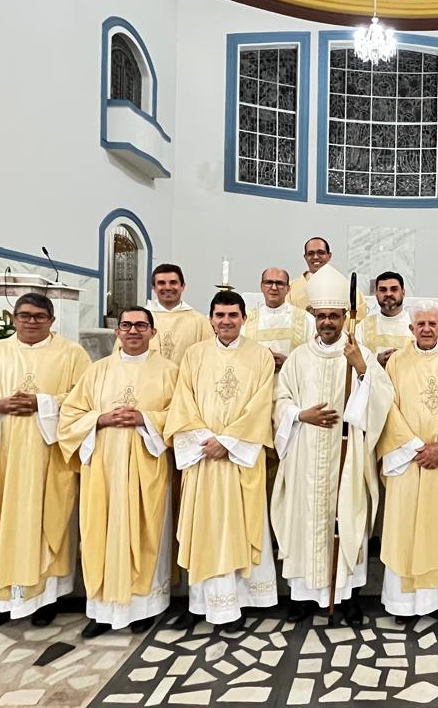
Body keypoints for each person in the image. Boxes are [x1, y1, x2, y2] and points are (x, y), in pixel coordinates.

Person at [0, 292, 91, 631]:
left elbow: (84, 398)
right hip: (2, 456)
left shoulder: (72, 354)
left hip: (48, 456)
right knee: (1, 523)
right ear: (13, 318)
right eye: (25, 315)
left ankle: (47, 600)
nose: (31, 321)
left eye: (39, 316)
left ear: (52, 321)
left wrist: (42, 403)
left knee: (48, 522)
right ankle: (1, 603)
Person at [271, 264, 393, 625]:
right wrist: (299, 415)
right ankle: (304, 597)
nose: (327, 322)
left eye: (334, 316)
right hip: (305, 453)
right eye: (321, 316)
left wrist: (361, 370)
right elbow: (279, 400)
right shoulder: (298, 358)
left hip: (349, 454)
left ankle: (348, 596)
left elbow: (383, 398)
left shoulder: (360, 354)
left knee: (348, 518)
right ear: (313, 316)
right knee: (304, 520)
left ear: (344, 317)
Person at [58, 306, 178, 637]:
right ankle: (102, 610)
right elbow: (70, 415)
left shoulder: (170, 371)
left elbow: (181, 415)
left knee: (145, 532)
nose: (133, 331)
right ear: (117, 332)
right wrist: (99, 419)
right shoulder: (97, 371)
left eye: (141, 325)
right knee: (101, 533)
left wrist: (146, 419)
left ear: (153, 333)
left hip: (147, 467)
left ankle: (144, 608)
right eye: (127, 325)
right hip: (103, 470)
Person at [164, 291, 278, 630]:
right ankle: (202, 602)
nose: (225, 321)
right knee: (205, 528)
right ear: (211, 318)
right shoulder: (194, 355)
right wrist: (205, 440)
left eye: (232, 315)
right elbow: (183, 401)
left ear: (244, 318)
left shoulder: (260, 357)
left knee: (240, 526)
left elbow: (261, 406)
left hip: (240, 460)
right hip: (203, 459)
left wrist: (228, 442)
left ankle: (241, 601)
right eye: (219, 315)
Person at [377, 302, 438, 626]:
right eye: (420, 324)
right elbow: (389, 410)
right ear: (411, 329)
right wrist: (416, 447)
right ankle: (404, 605)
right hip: (409, 462)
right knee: (406, 532)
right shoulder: (396, 363)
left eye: (433, 323)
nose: (427, 329)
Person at [243, 267, 312, 373]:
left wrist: (288, 363)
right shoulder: (246, 321)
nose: (274, 287)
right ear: (261, 287)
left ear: (288, 289)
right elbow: (238, 356)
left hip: (291, 384)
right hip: (257, 384)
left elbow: (314, 358)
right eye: (269, 282)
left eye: (279, 283)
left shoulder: (306, 319)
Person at [140, 264, 213, 363]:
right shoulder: (140, 319)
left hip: (186, 378)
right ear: (154, 287)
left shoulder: (199, 321)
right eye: (161, 283)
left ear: (183, 286)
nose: (168, 287)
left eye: (173, 282)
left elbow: (210, 356)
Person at [286, 237, 369, 320]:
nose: (315, 257)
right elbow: (286, 316)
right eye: (310, 253)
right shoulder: (291, 288)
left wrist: (335, 326)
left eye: (320, 253)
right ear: (305, 257)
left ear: (329, 256)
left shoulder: (347, 287)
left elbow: (358, 316)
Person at [356, 271, 412, 367]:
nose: (388, 294)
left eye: (394, 289)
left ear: (403, 292)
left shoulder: (415, 323)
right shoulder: (364, 326)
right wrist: (376, 360)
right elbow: (355, 358)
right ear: (376, 294)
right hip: (375, 381)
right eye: (383, 290)